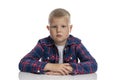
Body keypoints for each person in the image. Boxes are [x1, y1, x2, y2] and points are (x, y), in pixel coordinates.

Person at [19, 8, 97, 75]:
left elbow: (93, 64)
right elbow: (23, 63)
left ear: (70, 28)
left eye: (63, 26)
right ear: (48, 28)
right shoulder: (43, 44)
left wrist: (69, 69)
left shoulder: (76, 44)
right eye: (54, 27)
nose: (58, 30)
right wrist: (51, 66)